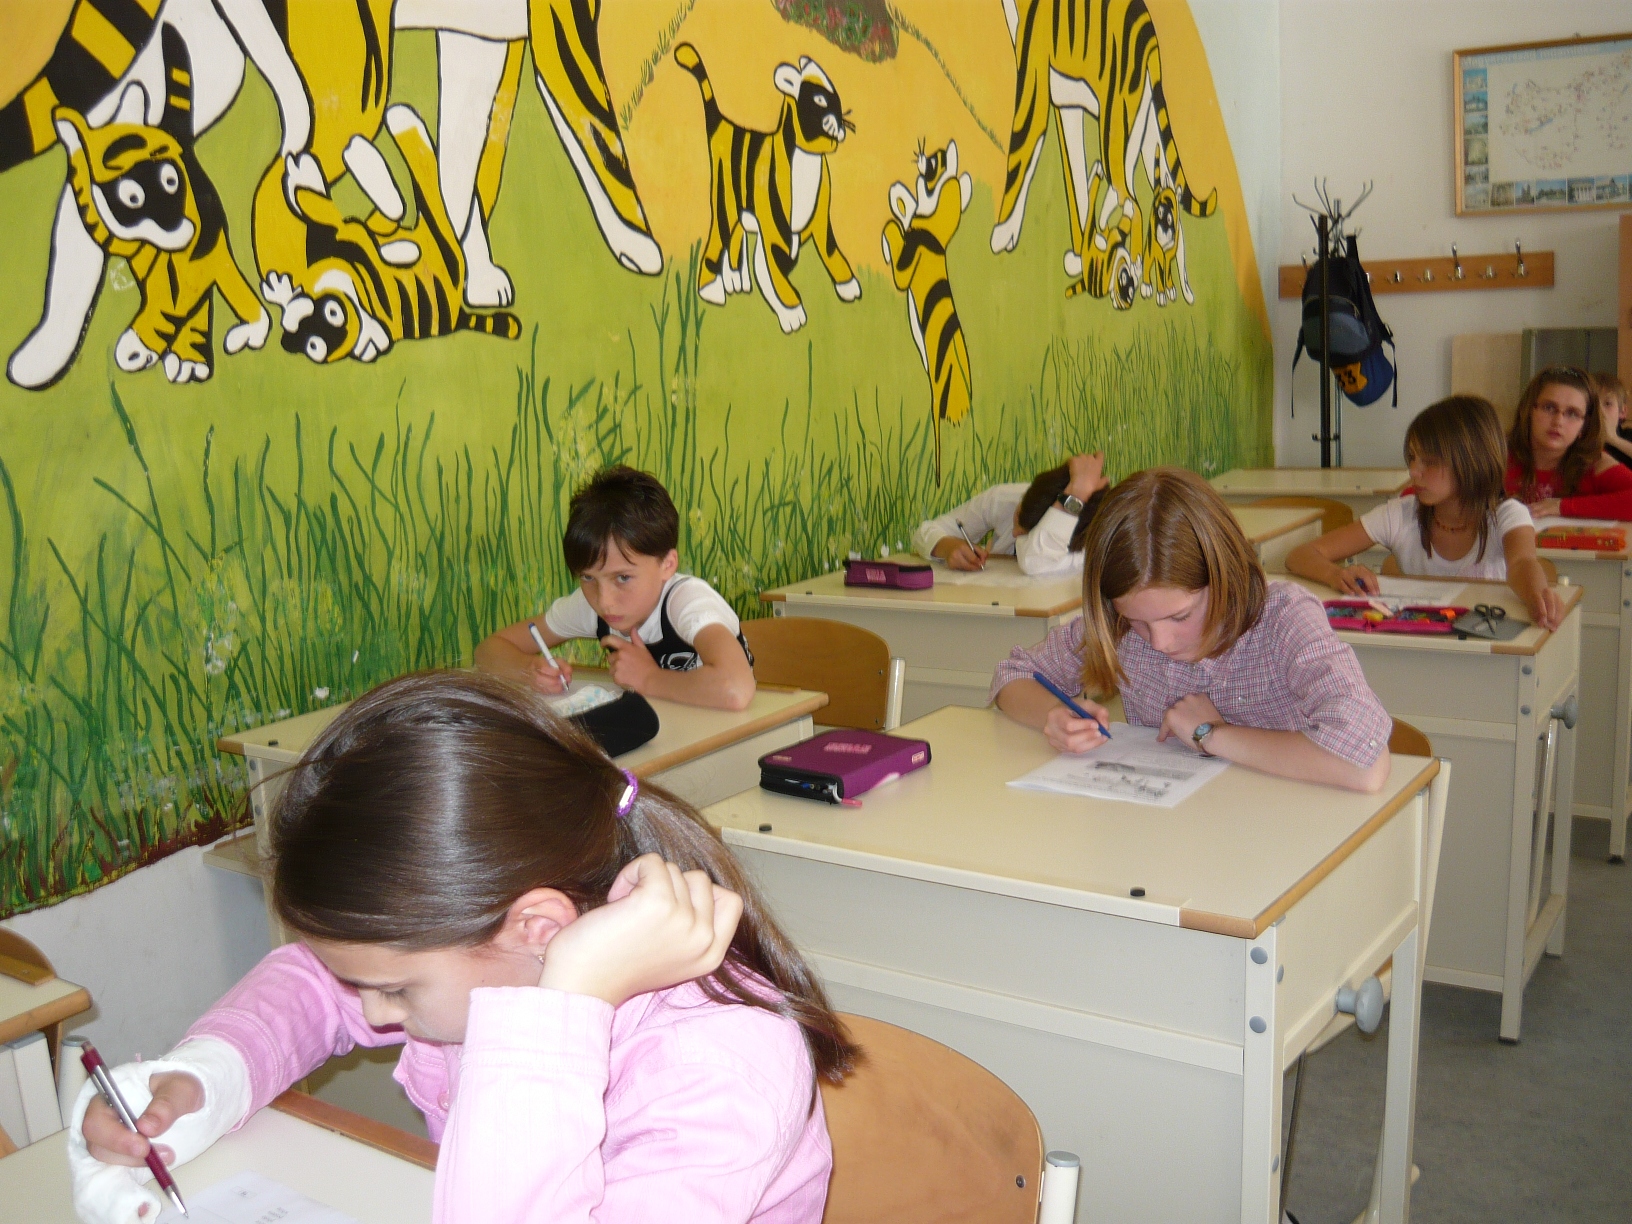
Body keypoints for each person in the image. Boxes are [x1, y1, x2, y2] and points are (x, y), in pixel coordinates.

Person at [70, 671, 856, 1224]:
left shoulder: (716, 1065)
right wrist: (205, 1078)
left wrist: (563, 1013)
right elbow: (312, 986)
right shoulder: (498, 951)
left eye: (396, 989)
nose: (370, 1009)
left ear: (539, 929)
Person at [991, 468, 1393, 793]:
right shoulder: (1119, 626)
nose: (1160, 642)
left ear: (1224, 576)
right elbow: (1013, 675)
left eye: (1180, 617)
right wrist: (1055, 716)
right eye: (1138, 621)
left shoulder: (1283, 618)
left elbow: (1366, 764)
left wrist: (1211, 735)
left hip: (1279, 836)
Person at [476, 466, 756, 709]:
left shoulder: (688, 602)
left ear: (667, 565)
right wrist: (530, 670)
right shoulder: (590, 605)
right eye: (588, 578)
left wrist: (648, 678)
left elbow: (735, 689)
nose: (604, 601)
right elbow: (489, 650)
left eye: (623, 578)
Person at [1286, 395, 1561, 629]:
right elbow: (1300, 555)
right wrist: (1336, 575)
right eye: (1412, 458)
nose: (1413, 471)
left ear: (1471, 461)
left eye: (1429, 462)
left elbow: (1522, 563)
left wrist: (1538, 597)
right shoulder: (1401, 514)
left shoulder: (1507, 514)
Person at [911, 451, 1111, 576]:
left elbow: (1035, 561)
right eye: (1017, 516)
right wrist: (946, 546)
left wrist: (1076, 495)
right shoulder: (1008, 499)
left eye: (1026, 534)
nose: (1015, 534)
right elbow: (924, 531)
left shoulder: (1094, 545)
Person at [1505, 365, 1632, 520]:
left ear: (1585, 425)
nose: (1558, 421)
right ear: (1528, 411)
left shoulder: (1594, 462)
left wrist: (1563, 506)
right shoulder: (1497, 454)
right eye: (1549, 407)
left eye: (1572, 413)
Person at [1592, 372, 1632, 472]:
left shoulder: (1629, 435)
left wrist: (1614, 439)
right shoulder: (1579, 438)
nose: (1599, 410)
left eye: (1608, 404)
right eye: (1593, 404)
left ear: (1622, 412)